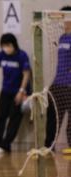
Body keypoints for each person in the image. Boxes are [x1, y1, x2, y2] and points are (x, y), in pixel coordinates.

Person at [0, 33, 31, 154]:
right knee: (0, 118)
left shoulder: (22, 55)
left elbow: (26, 74)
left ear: (14, 44)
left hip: (18, 92)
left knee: (14, 119)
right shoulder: (1, 55)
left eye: (8, 45)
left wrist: (21, 91)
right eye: (3, 46)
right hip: (5, 91)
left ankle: (5, 145)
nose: (6, 48)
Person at [45, 6, 71, 149]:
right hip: (58, 84)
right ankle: (49, 145)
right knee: (53, 117)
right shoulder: (62, 37)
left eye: (63, 17)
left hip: (69, 85)